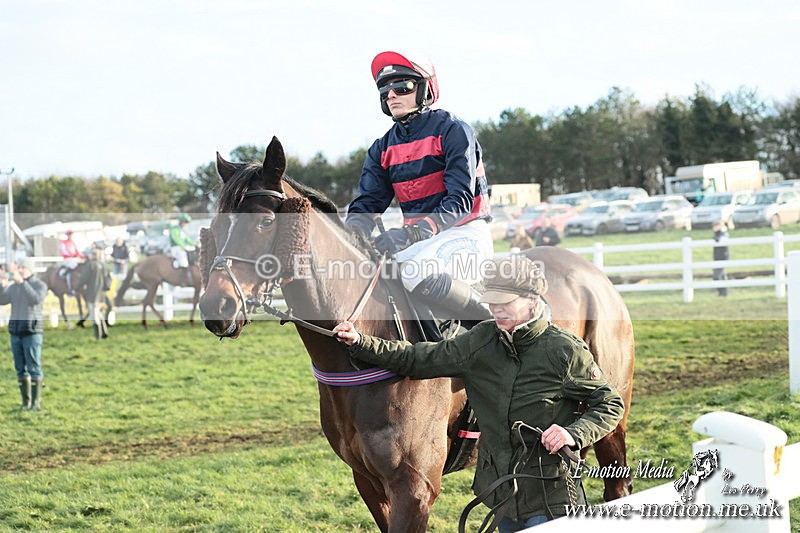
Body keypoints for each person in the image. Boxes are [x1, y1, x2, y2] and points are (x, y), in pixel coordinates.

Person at [333, 255, 624, 530]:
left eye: (505, 302)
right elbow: (418, 358)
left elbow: (610, 404)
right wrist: (360, 342)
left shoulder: (564, 349)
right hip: (503, 497)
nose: (496, 309)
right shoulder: (482, 340)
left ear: (532, 301)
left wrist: (574, 433)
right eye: (491, 302)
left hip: (553, 497)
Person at [344, 50, 493, 323]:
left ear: (424, 90)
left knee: (413, 272)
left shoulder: (454, 130)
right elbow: (367, 203)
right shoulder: (382, 148)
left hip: (466, 233)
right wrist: (351, 234)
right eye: (384, 89)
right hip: (421, 240)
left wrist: (408, 235)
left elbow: (459, 202)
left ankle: (496, 326)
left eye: (402, 86)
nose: (391, 94)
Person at [0, 258, 49, 411]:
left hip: (32, 331)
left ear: (30, 269)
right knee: (20, 368)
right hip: (16, 331)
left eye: (22, 267)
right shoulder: (14, 287)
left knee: (33, 366)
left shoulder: (39, 285)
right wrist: (2, 285)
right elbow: (2, 300)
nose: (19, 270)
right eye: (18, 267)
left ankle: (35, 403)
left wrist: (22, 283)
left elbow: (35, 299)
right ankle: (25, 402)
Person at [77, 248, 110, 339]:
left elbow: (84, 278)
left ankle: (98, 335)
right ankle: (104, 332)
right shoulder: (103, 265)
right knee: (98, 312)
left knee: (94, 313)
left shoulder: (90, 265)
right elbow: (108, 278)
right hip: (101, 293)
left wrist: (77, 287)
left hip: (92, 293)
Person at [169, 214, 196, 285]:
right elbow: (176, 240)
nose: (186, 224)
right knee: (184, 262)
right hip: (176, 248)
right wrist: (184, 247)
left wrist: (196, 244)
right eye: (185, 222)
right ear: (181, 221)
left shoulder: (182, 230)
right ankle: (183, 280)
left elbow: (188, 240)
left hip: (182, 247)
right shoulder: (174, 229)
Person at [58, 229, 85, 294]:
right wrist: (73, 255)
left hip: (73, 259)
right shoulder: (63, 243)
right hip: (67, 259)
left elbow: (77, 252)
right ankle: (70, 287)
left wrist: (83, 256)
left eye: (71, 235)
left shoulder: (73, 243)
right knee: (73, 263)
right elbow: (64, 252)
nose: (70, 236)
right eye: (69, 235)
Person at [712, 220, 729, 297]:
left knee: (717, 276)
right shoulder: (716, 234)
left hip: (722, 257)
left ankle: (723, 292)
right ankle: (722, 293)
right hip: (717, 258)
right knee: (721, 275)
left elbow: (722, 240)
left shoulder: (723, 234)